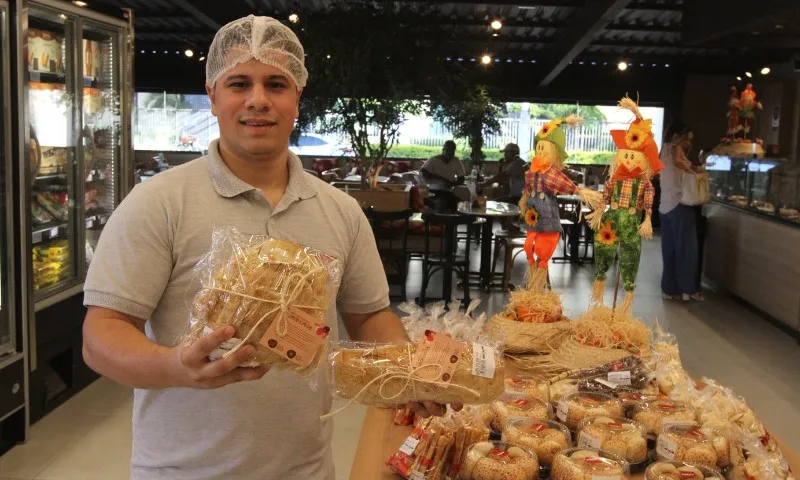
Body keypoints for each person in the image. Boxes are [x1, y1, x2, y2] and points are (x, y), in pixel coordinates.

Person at [80, 16, 447, 480]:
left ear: (297, 99)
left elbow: (370, 316)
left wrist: (408, 370)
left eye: (276, 83)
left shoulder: (340, 211)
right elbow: (101, 336)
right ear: (213, 95)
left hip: (307, 470)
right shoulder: (159, 203)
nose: (258, 100)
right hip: (181, 471)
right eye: (239, 83)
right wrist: (175, 366)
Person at [659, 122, 702, 302]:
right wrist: (695, 171)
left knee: (669, 250)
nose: (688, 144)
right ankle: (688, 290)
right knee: (686, 250)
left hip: (664, 206)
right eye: (686, 139)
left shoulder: (663, 150)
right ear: (677, 136)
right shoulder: (675, 149)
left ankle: (669, 289)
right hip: (680, 205)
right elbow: (680, 164)